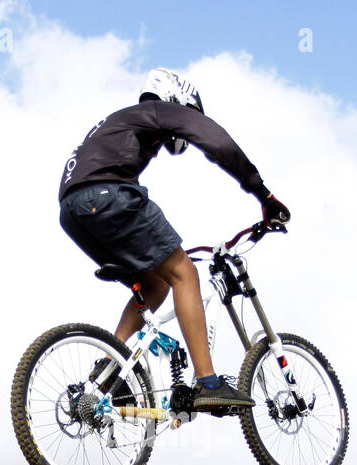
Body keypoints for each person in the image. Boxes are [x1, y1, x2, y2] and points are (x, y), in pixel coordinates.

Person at [58, 67, 291, 413]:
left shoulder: (122, 121)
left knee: (156, 284)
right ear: (177, 98)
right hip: (109, 196)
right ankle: (208, 383)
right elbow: (217, 142)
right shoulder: (159, 110)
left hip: (74, 212)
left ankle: (110, 369)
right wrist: (263, 194)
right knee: (184, 272)